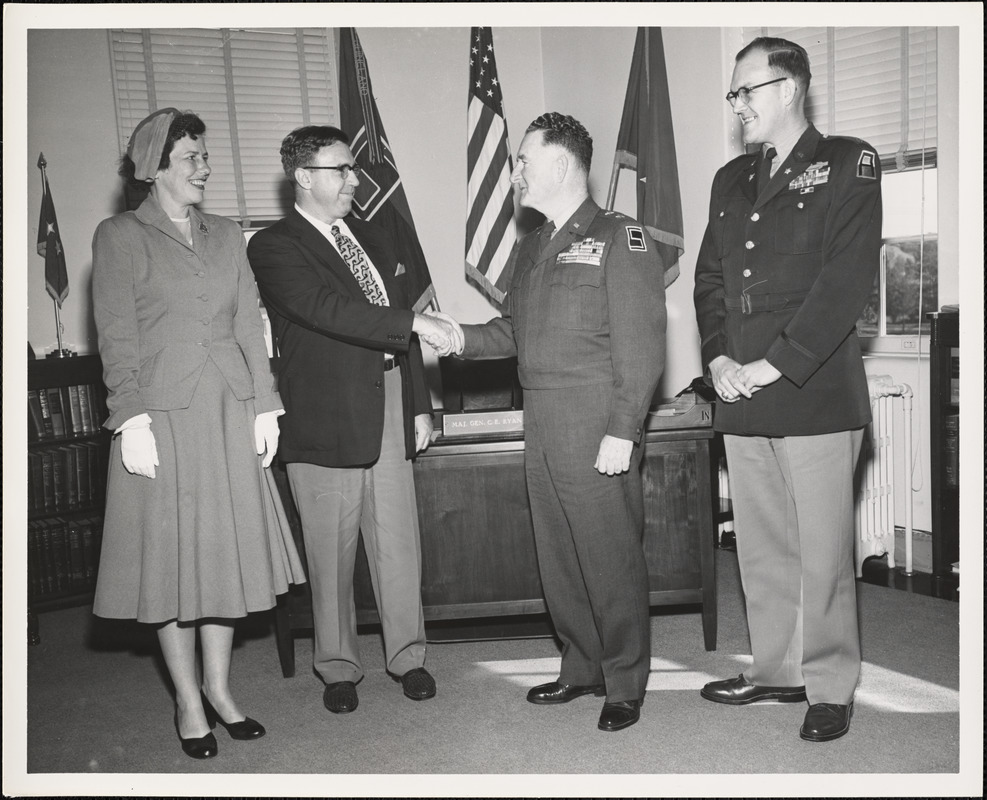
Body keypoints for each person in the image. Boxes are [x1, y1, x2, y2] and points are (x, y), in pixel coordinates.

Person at [433, 113, 667, 732]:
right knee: (559, 550)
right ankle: (581, 664)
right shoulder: (533, 244)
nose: (515, 174)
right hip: (541, 418)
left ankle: (625, 679)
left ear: (560, 165)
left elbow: (642, 345)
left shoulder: (623, 237)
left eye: (523, 161)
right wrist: (453, 333)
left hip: (596, 420)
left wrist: (624, 428)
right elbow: (513, 331)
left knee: (609, 551)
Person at [92, 108, 306, 760]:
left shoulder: (226, 235)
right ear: (155, 165)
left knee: (221, 561)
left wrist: (264, 404)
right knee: (173, 568)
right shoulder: (121, 235)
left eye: (203, 156)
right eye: (190, 157)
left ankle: (219, 689)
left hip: (226, 411)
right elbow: (116, 335)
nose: (203, 167)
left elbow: (248, 322)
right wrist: (129, 418)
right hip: (163, 423)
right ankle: (187, 700)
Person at [693, 37, 882, 742]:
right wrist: (715, 360)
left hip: (809, 389)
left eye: (746, 90)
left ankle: (829, 684)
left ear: (788, 88)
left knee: (822, 552)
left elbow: (844, 281)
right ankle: (777, 670)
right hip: (739, 391)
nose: (737, 104)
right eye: (732, 94)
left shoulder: (846, 162)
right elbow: (709, 279)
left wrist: (772, 363)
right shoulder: (727, 179)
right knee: (762, 546)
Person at [247, 126, 459, 715]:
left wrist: (418, 404)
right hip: (324, 416)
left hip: (390, 401)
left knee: (398, 543)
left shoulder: (373, 232)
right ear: (305, 177)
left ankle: (408, 658)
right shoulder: (273, 246)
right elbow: (327, 310)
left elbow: (404, 321)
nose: (353, 180)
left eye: (352, 169)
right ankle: (338, 666)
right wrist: (413, 327)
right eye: (340, 170)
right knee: (330, 550)